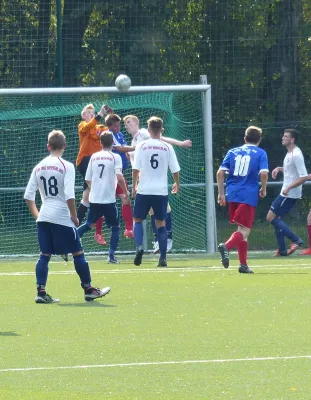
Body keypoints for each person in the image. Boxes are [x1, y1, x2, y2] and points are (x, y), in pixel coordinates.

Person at [24, 130, 110, 303]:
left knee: (44, 255)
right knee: (78, 252)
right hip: (61, 217)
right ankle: (89, 289)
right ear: (65, 146)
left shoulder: (38, 166)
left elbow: (28, 196)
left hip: (44, 217)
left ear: (48, 146)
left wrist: (37, 216)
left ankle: (40, 292)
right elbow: (69, 195)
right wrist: (74, 216)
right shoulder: (66, 166)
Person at [124, 114, 192, 254]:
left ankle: (164, 240)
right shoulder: (136, 141)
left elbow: (161, 138)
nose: (127, 125)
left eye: (129, 122)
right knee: (155, 213)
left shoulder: (142, 135)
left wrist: (180, 143)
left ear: (141, 125)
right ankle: (160, 243)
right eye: (126, 124)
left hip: (147, 182)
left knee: (153, 214)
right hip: (153, 184)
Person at [217, 126, 268, 273]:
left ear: (245, 139)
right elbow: (264, 174)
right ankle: (226, 246)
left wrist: (221, 193)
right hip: (248, 194)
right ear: (259, 140)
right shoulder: (260, 153)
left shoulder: (232, 152)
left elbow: (220, 173)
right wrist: (263, 188)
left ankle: (243, 265)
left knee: (241, 228)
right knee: (245, 231)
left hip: (232, 193)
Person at [132, 116, 181, 267]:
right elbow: (175, 169)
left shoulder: (141, 145)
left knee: (137, 220)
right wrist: (177, 183)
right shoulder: (167, 147)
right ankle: (163, 258)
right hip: (160, 191)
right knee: (161, 224)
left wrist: (134, 186)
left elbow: (136, 169)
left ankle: (140, 246)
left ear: (148, 130)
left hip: (144, 189)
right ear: (161, 130)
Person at [77, 132, 129, 264]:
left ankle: (68, 244)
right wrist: (126, 191)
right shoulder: (115, 157)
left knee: (89, 225)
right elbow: (120, 177)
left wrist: (94, 189)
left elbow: (88, 178)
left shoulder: (94, 157)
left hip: (95, 199)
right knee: (115, 227)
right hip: (108, 200)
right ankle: (111, 256)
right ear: (113, 143)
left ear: (100, 143)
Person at [266, 129, 309, 256]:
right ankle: (282, 250)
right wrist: (280, 169)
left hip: (289, 194)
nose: (282, 138)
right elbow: (292, 171)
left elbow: (304, 176)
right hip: (288, 192)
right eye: (283, 136)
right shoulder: (290, 153)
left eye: (285, 136)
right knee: (277, 218)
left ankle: (295, 240)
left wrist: (289, 187)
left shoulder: (296, 154)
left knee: (270, 217)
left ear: (292, 140)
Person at [76, 103, 113, 245]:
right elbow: (87, 126)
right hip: (85, 161)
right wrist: (100, 115)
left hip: (97, 163)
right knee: (97, 192)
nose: (84, 115)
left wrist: (109, 116)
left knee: (86, 196)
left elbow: (109, 135)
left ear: (92, 114)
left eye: (87, 113)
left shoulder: (101, 128)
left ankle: (76, 227)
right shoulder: (82, 126)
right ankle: (94, 225)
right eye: (84, 113)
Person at [104, 113, 136, 239]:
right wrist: (136, 148)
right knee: (103, 202)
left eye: (119, 125)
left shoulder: (120, 134)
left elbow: (125, 150)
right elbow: (120, 148)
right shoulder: (109, 135)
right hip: (111, 173)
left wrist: (130, 155)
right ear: (110, 126)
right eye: (116, 126)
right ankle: (98, 230)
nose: (118, 128)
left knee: (125, 198)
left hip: (119, 172)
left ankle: (129, 229)